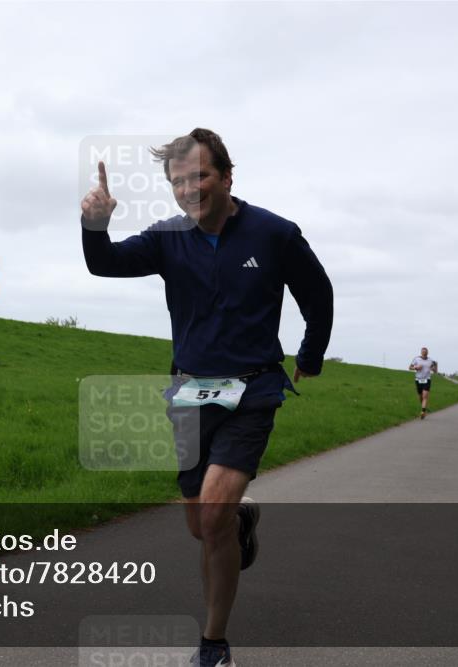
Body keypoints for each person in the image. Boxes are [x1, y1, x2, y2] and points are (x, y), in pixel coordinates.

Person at [81, 129, 333, 667]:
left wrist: (309, 357)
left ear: (226, 175)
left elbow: (319, 295)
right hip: (191, 391)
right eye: (177, 181)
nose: (188, 190)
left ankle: (213, 644)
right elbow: (103, 263)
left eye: (199, 176)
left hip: (254, 388)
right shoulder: (169, 238)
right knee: (203, 525)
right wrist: (94, 224)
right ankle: (240, 522)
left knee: (212, 513)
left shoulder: (274, 233)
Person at [409, 347, 438, 419]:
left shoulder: (431, 360)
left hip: (427, 379)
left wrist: (434, 368)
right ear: (421, 353)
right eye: (423, 352)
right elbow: (410, 367)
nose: (424, 354)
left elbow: (435, 371)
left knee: (425, 396)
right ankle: (424, 408)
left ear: (427, 353)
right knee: (420, 397)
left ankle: (423, 412)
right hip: (418, 379)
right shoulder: (416, 359)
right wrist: (416, 367)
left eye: (425, 353)